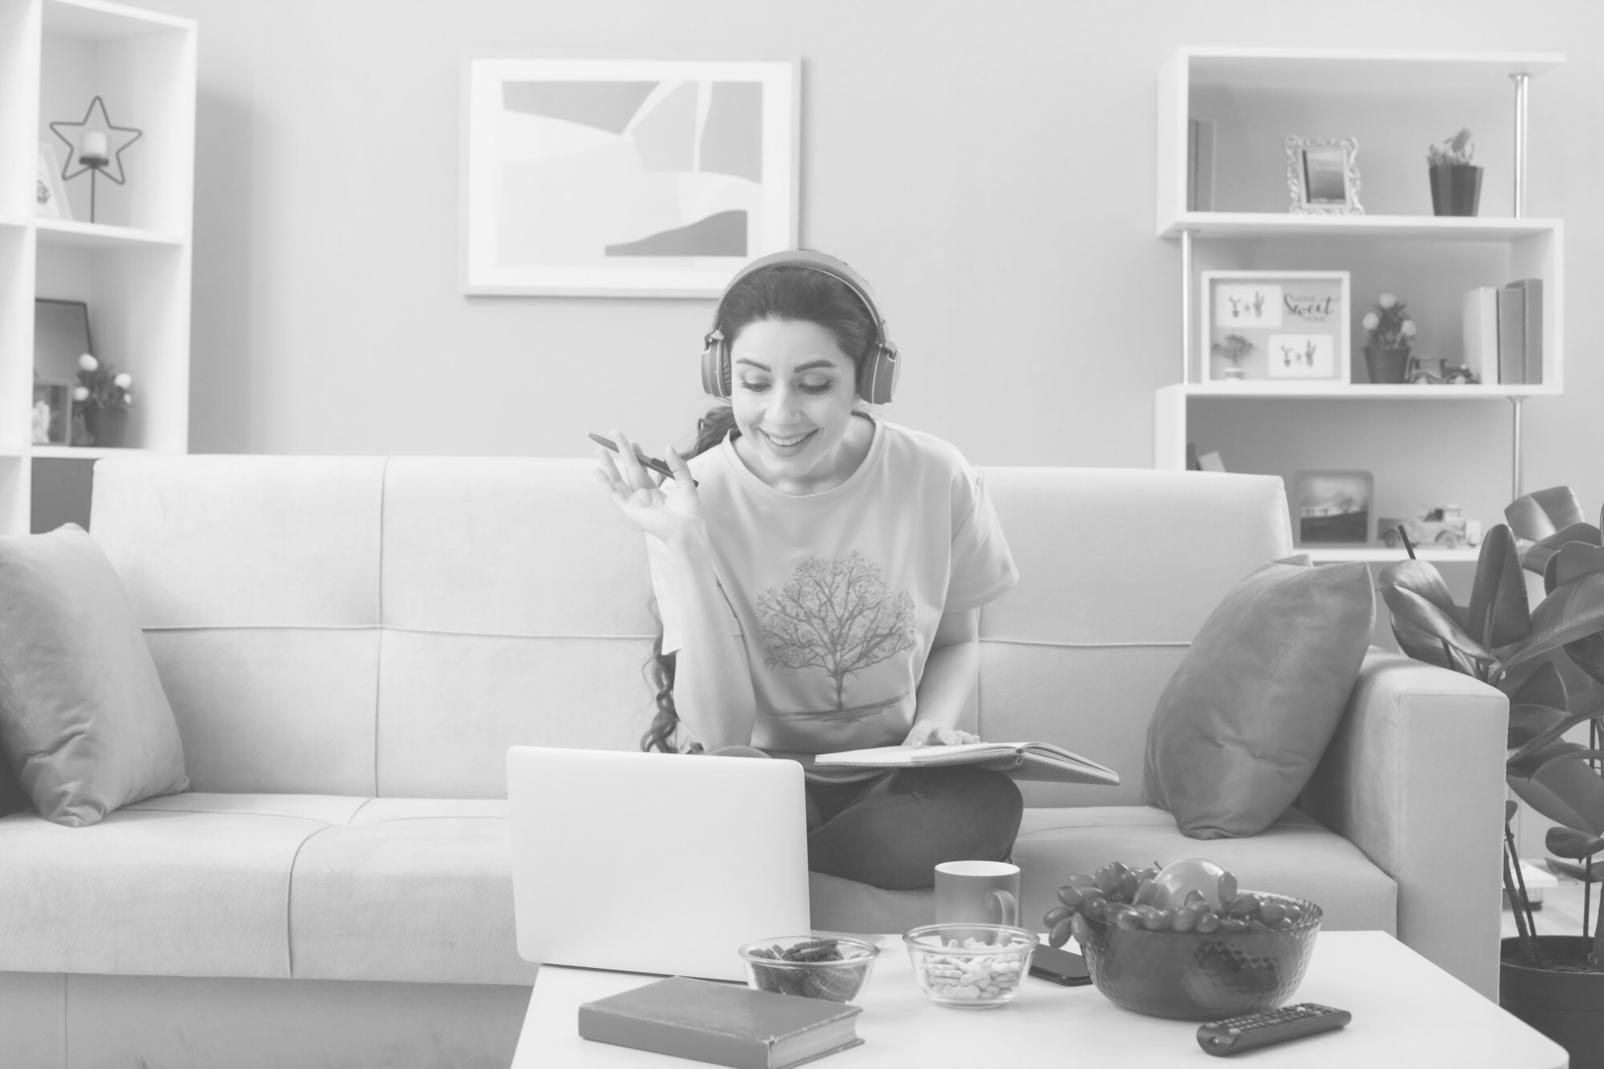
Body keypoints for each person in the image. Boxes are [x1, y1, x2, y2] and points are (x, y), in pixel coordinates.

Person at [593, 250, 1022, 891]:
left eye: (815, 385)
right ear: (723, 377)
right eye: (756, 384)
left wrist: (931, 726)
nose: (782, 414)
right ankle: (803, 863)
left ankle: (772, 868)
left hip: (890, 776)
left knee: (985, 806)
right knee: (737, 794)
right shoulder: (689, 497)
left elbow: (959, 640)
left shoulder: (937, 475)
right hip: (758, 774)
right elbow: (720, 732)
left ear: (867, 380)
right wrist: (686, 542)